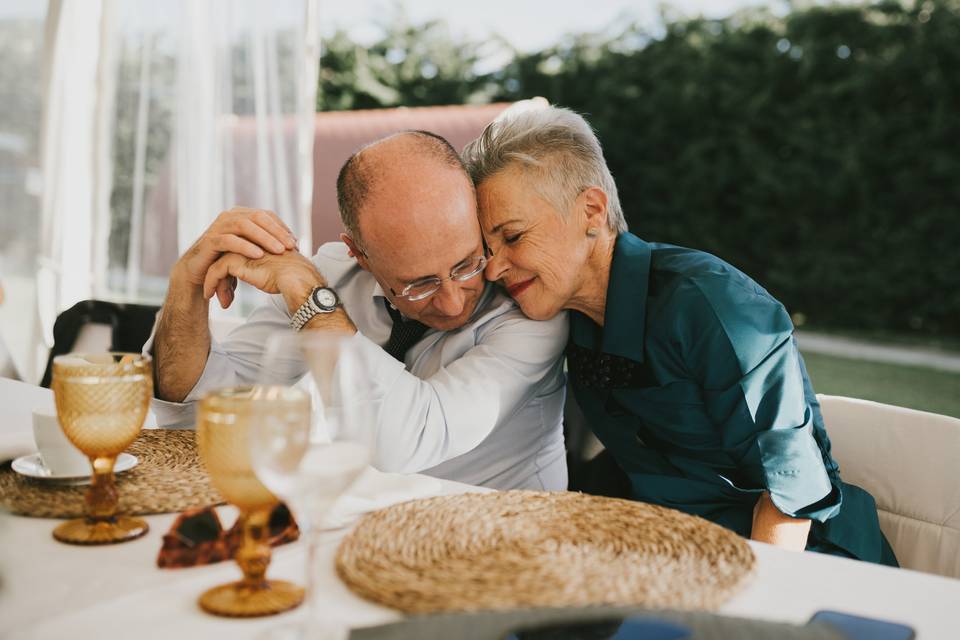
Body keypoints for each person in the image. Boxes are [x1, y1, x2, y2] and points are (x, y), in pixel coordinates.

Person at [463, 106, 897, 564]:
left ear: (591, 210)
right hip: (675, 562)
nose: (493, 267)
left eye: (511, 237)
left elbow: (788, 493)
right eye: (487, 250)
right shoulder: (560, 320)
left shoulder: (712, 305)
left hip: (807, 567)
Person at [149, 131, 568, 491]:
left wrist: (312, 299)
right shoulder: (329, 277)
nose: (454, 301)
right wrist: (186, 285)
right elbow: (201, 412)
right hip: (367, 536)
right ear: (359, 256)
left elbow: (405, 441)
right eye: (418, 284)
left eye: (466, 264)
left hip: (508, 543)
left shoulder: (531, 313)